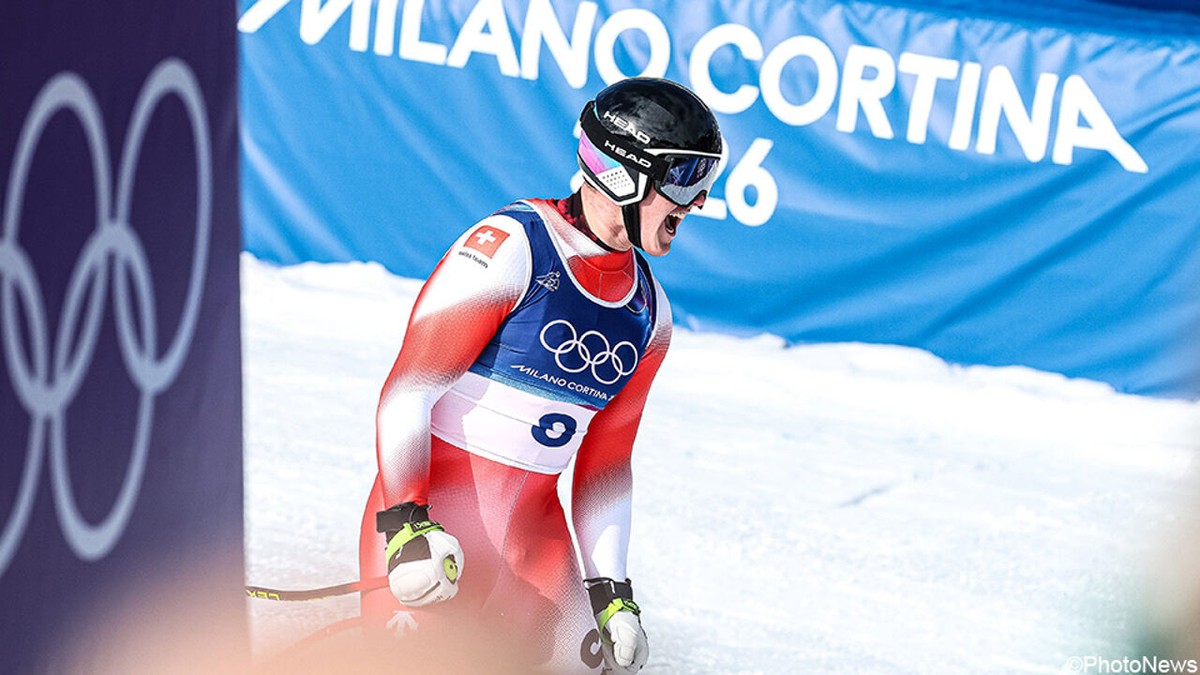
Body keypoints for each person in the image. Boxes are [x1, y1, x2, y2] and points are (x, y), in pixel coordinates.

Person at [358, 77, 723, 674]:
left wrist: (611, 594)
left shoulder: (650, 313)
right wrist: (406, 524)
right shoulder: (510, 247)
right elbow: (408, 391)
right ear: (621, 174)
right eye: (685, 177)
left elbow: (605, 467)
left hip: (534, 555)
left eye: (705, 179)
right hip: (430, 533)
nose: (699, 202)